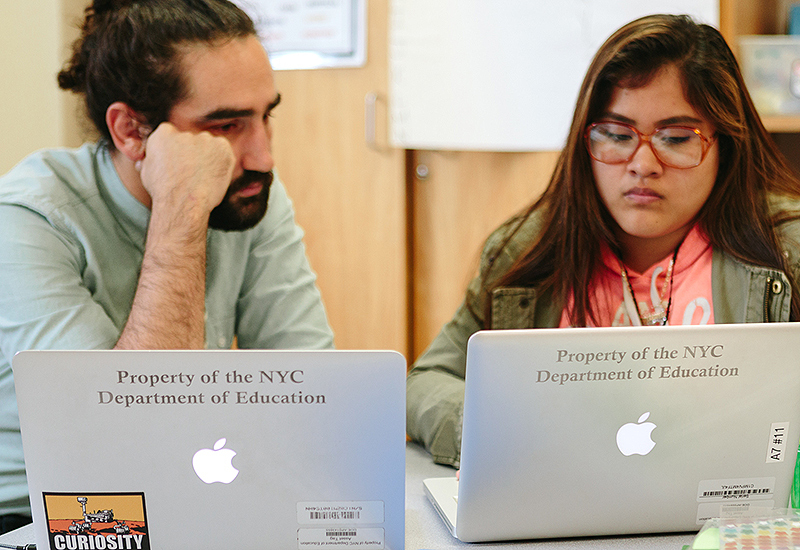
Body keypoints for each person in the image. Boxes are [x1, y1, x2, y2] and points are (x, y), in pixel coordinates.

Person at [407, 14, 800, 470]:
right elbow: (428, 380)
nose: (642, 164)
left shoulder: (783, 252)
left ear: (726, 144)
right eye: (616, 135)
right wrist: (505, 432)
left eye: (675, 138)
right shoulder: (531, 248)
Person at [0, 0, 334, 530]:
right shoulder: (27, 220)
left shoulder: (244, 191)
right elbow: (122, 445)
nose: (264, 157)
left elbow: (313, 398)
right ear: (131, 131)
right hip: (43, 517)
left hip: (186, 500)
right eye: (226, 125)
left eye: (265, 116)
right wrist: (181, 211)